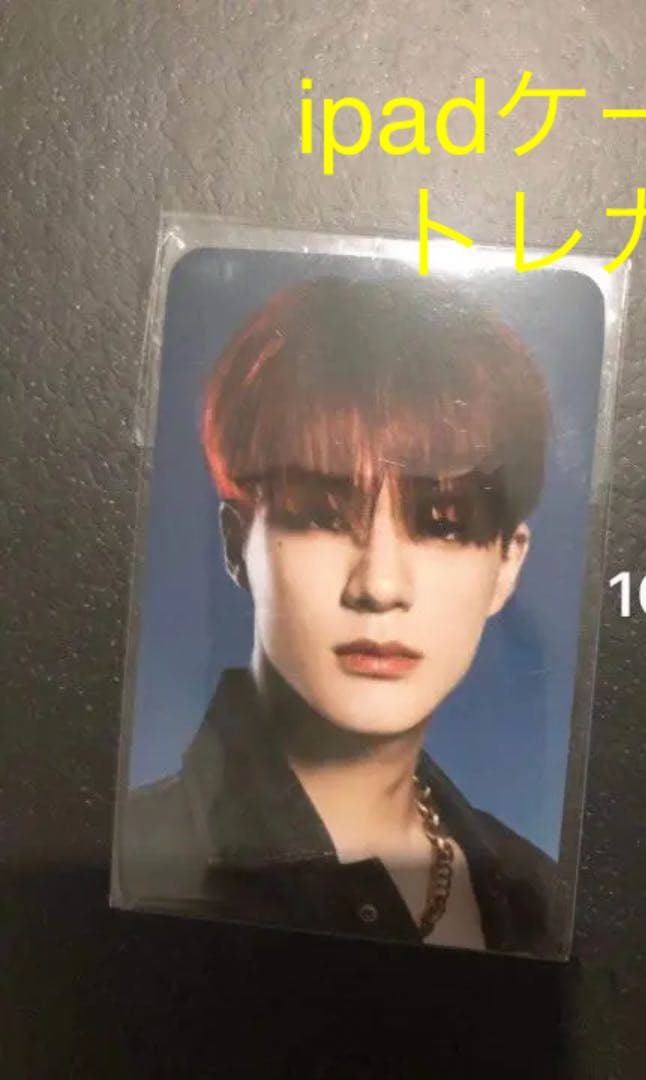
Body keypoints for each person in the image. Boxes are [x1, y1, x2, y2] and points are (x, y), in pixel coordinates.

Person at [116, 274, 560, 956]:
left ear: (507, 566)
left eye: (442, 523)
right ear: (238, 544)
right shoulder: (129, 863)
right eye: (321, 516)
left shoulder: (536, 894)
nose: (379, 585)